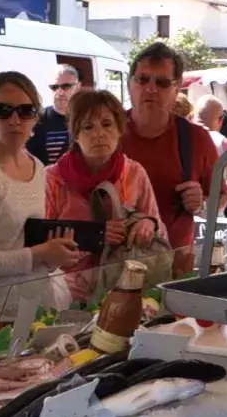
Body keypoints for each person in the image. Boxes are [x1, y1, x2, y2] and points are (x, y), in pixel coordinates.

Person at [0, 71, 82, 337]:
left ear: (36, 117)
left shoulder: (37, 167)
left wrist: (55, 254)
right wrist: (39, 255)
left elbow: (24, 240)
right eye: (3, 110)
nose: (15, 120)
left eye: (25, 111)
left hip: (34, 310)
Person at [119, 42, 227, 277]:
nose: (150, 89)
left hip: (173, 269)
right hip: (112, 266)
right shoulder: (107, 133)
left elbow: (222, 196)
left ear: (177, 87)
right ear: (130, 85)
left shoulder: (195, 138)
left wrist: (201, 205)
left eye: (162, 82)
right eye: (142, 79)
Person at [45, 90, 164, 302]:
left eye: (107, 124)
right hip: (66, 294)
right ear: (75, 134)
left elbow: (158, 226)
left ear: (119, 129)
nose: (99, 133)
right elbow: (40, 240)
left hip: (124, 288)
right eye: (88, 127)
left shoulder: (134, 172)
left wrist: (147, 223)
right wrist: (94, 236)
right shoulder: (52, 179)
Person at [26, 64, 79, 166]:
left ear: (77, 87)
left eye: (66, 87)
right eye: (54, 87)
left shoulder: (86, 118)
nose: (59, 92)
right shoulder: (37, 119)